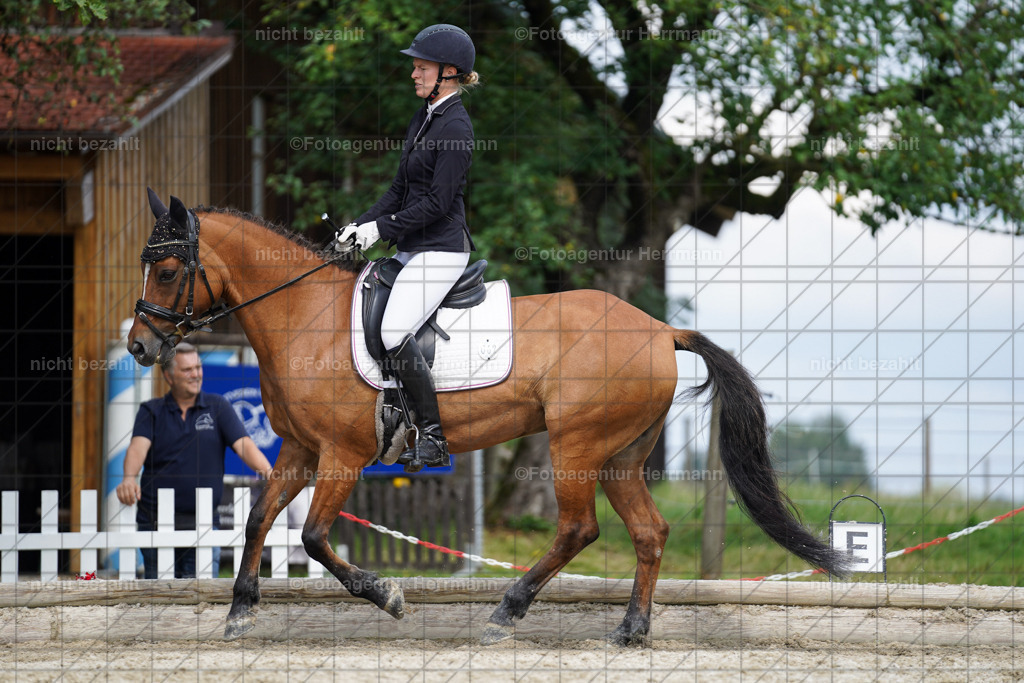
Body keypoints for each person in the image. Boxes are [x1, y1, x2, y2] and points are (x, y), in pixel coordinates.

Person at [334, 24, 480, 469]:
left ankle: (433, 436)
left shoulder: (456, 127)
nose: (414, 74)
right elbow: (399, 190)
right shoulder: (424, 117)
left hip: (441, 251)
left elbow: (438, 203)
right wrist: (360, 225)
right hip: (412, 248)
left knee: (394, 330)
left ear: (449, 72)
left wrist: (381, 229)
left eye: (422, 68)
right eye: (415, 67)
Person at [115, 343, 273, 579]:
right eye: (187, 370)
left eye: (198, 367)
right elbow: (138, 448)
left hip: (204, 524)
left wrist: (270, 474)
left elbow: (245, 446)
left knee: (202, 596)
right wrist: (129, 478)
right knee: (159, 595)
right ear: (169, 376)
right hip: (155, 521)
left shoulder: (218, 407)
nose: (196, 374)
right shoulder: (151, 411)